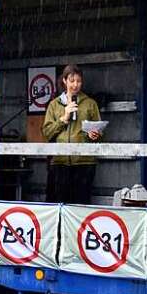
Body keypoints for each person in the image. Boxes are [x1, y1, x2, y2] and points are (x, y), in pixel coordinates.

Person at [42, 64, 103, 205]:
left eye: (79, 81)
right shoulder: (54, 105)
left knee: (81, 205)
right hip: (60, 162)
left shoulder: (90, 104)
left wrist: (94, 135)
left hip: (84, 163)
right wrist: (63, 118)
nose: (75, 85)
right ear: (64, 81)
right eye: (72, 81)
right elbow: (47, 132)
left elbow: (99, 131)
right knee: (60, 205)